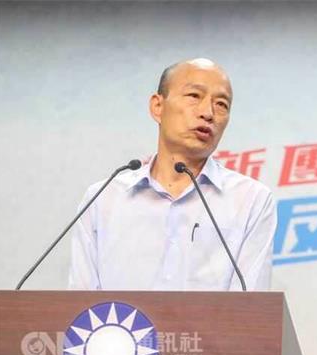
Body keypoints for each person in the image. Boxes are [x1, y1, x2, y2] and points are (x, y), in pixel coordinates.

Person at [69, 58, 277, 291]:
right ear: (158, 107)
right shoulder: (103, 198)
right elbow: (80, 302)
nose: (208, 113)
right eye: (194, 96)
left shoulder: (250, 200)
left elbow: (250, 307)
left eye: (221, 104)